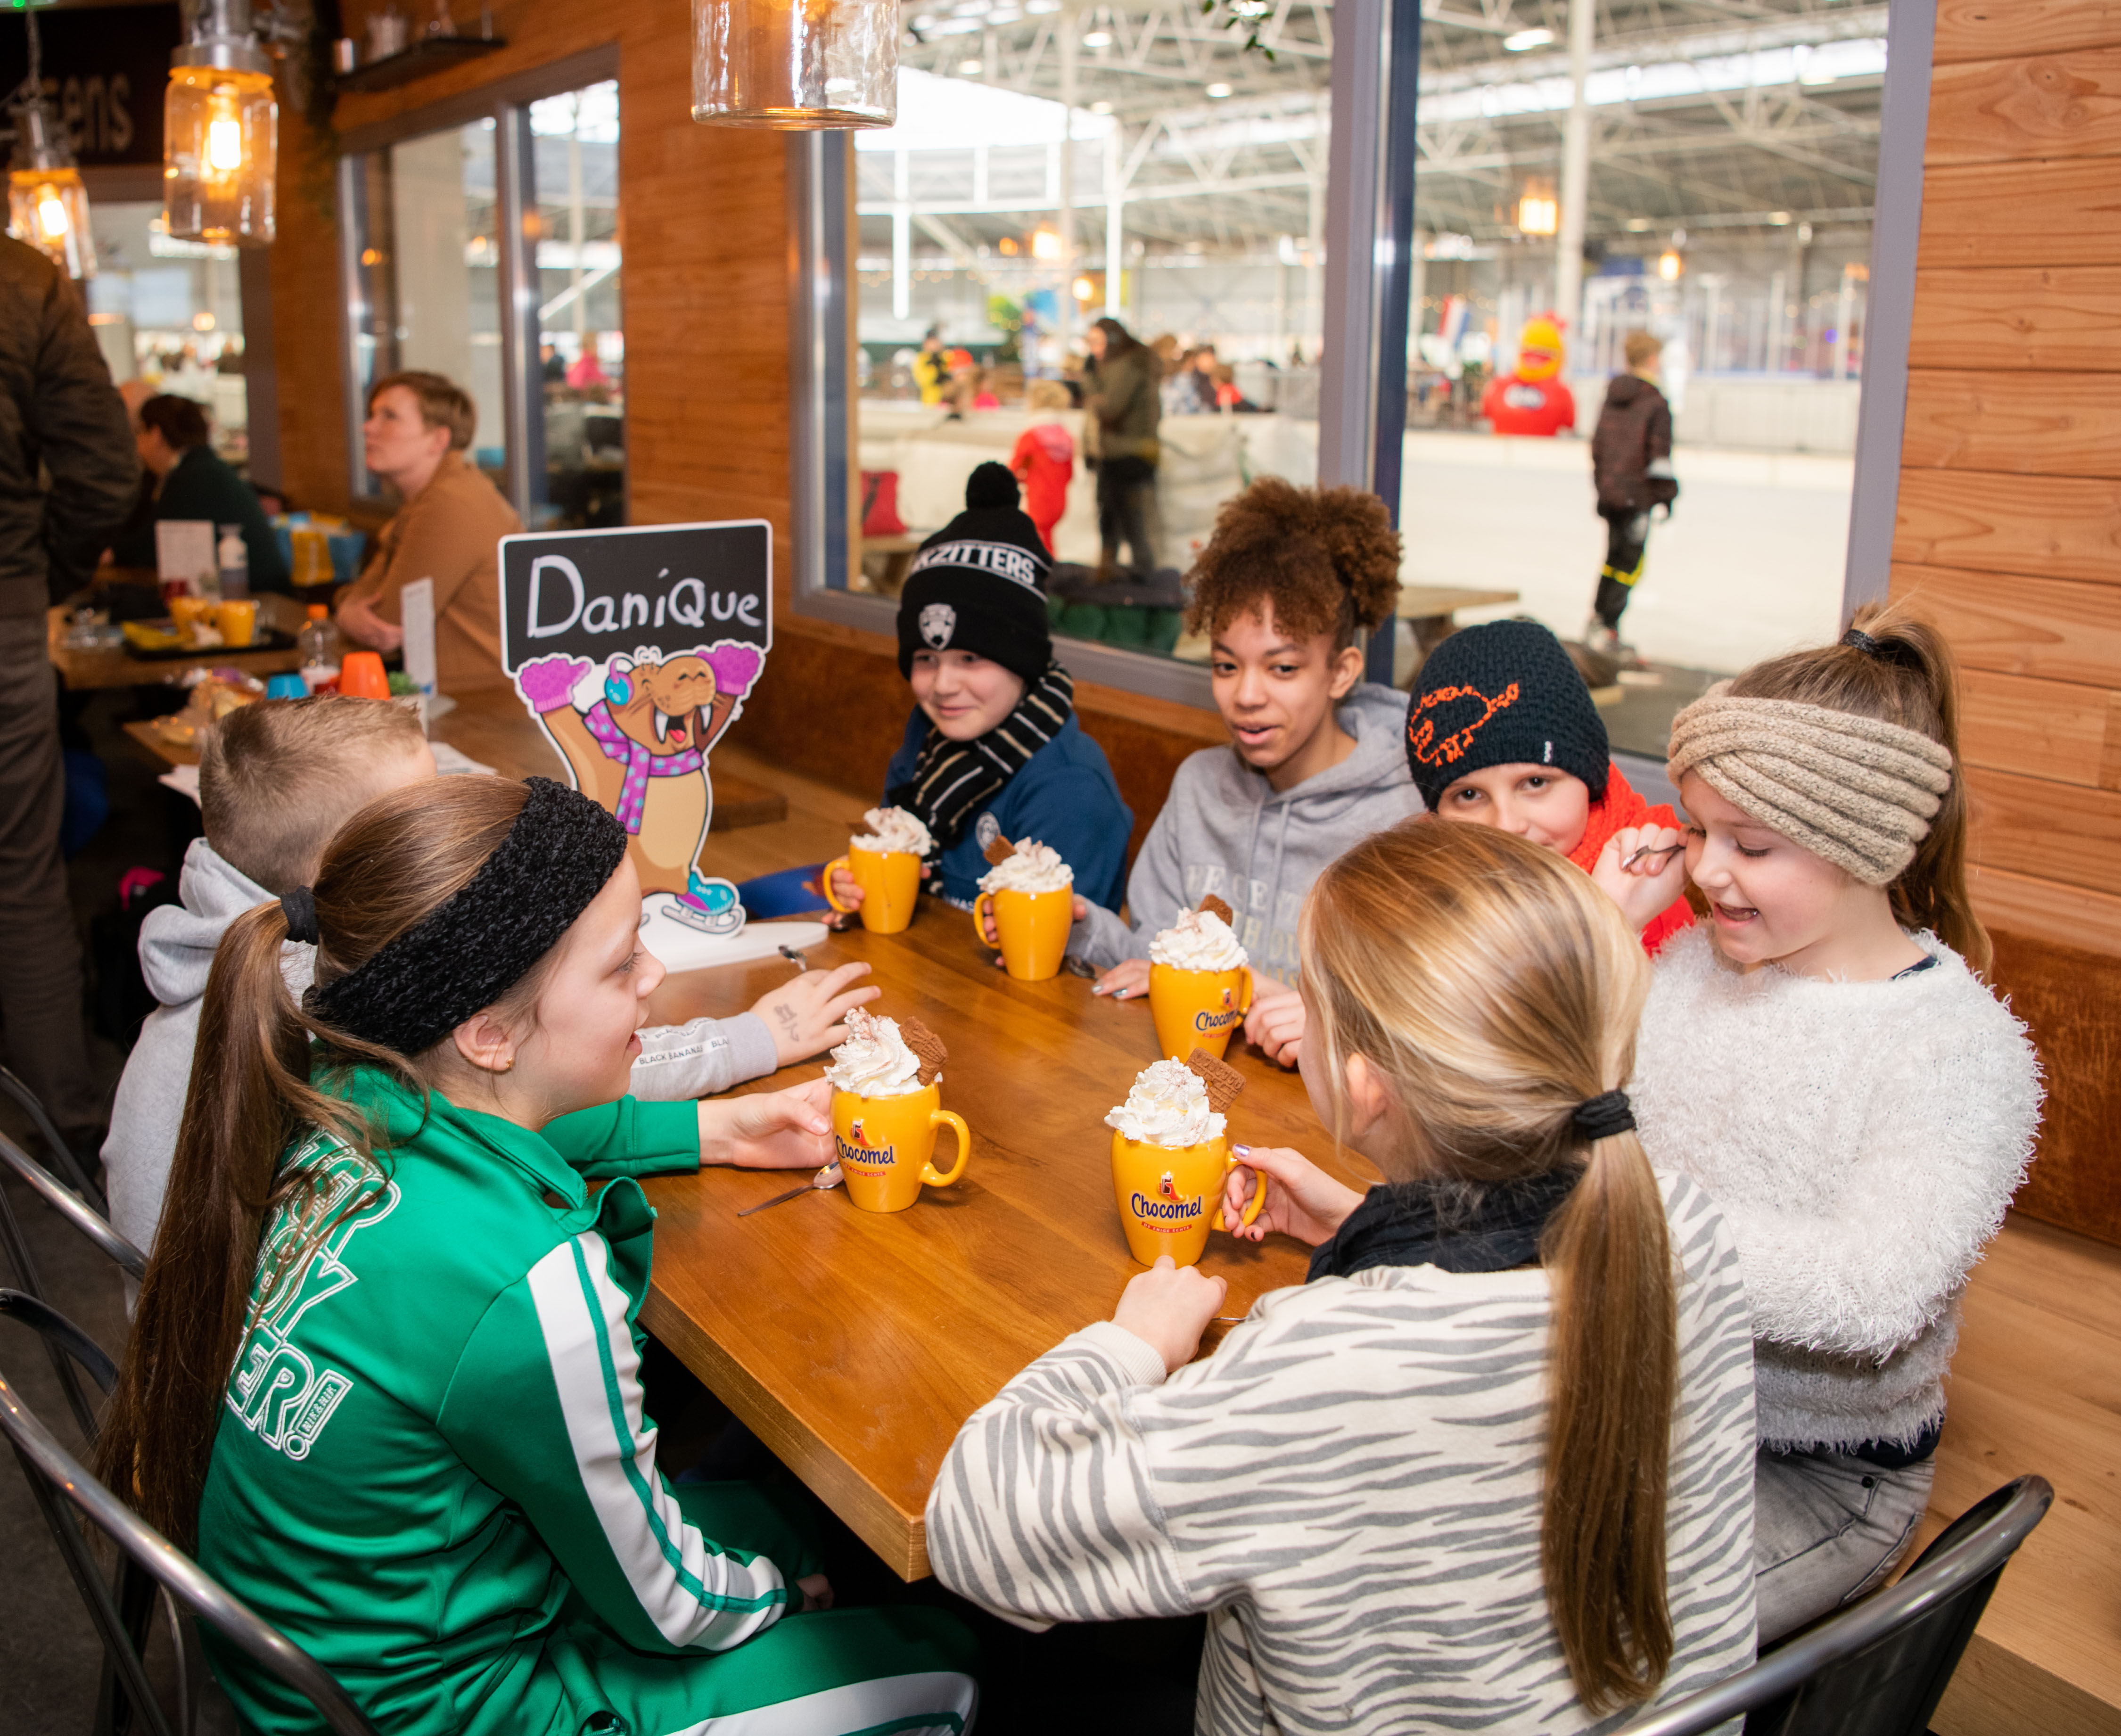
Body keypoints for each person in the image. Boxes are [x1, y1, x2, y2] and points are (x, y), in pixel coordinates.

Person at [96, 774, 979, 1734]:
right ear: (486, 1033)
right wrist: (786, 1597)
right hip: (446, 1709)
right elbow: (670, 1604)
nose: (652, 974)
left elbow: (525, 1139)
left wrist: (713, 1130)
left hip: (307, 1655)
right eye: (620, 962)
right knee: (940, 1657)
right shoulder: (531, 1286)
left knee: (783, 1516)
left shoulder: (342, 1093)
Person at [927, 821, 1759, 1735]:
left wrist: (1133, 1341)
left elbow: (975, 1525)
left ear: (1365, 1089)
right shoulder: (1684, 1228)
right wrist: (1374, 1220)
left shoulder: (1328, 1359)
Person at [101, 697, 878, 1292]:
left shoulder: (236, 954)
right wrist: (750, 1038)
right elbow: (530, 1075)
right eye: (429, 814)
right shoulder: (322, 1011)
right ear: (370, 865)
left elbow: (465, 1116)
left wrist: (713, 1130)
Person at [1628, 607, 2042, 1644]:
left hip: (1815, 1473)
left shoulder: (1955, 1048)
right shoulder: (1689, 967)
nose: (1706, 868)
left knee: (1593, 1641)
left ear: (1863, 841)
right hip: (1648, 1408)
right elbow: (1575, 1116)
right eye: (1696, 829)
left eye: (1750, 843)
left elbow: (1875, 1289)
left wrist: (1627, 1215)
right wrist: (1607, 928)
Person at [1071, 479, 1418, 1068]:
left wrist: (1324, 1023)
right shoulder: (1200, 786)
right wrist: (1079, 929)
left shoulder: (1403, 817)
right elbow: (1153, 952)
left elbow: (1421, 1022)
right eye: (1226, 666)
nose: (1246, 695)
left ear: (1340, 672)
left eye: (1282, 668)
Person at [831, 463, 1132, 914]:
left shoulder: (1069, 787)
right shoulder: (926, 741)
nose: (944, 685)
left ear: (1023, 662)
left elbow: (1064, 957)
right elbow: (889, 858)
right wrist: (853, 885)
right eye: (926, 659)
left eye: (971, 658)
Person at [0, 233, 139, 1151]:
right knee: (22, 874)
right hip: (4, 599)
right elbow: (102, 468)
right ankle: (66, 1125)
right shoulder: (23, 276)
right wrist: (32, 577)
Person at [1408, 618, 1695, 954]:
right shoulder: (1413, 890)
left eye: (1534, 782)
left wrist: (1611, 925)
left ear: (1590, 779)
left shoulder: (1649, 902)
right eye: (1469, 795)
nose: (1506, 825)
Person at [336, 370, 521, 692]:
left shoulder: (451, 503)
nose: (368, 427)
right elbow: (368, 599)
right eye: (372, 415)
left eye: (389, 417)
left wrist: (345, 610)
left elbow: (385, 625)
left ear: (439, 439)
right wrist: (348, 609)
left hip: (484, 709)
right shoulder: (437, 494)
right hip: (465, 699)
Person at [108, 393, 290, 590]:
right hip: (257, 592)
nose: (137, 447)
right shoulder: (203, 466)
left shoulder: (191, 477)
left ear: (155, 435)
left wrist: (110, 553)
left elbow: (151, 547)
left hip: (260, 598)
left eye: (139, 433)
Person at [1588, 329, 1678, 654]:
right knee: (1629, 564)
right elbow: (1659, 458)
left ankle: (1599, 620)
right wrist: (1667, 495)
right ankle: (1608, 627)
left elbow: (1598, 447)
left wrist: (1603, 487)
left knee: (1613, 558)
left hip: (1612, 495)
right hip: (1637, 498)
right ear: (1652, 360)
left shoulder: (1612, 398)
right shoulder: (1655, 402)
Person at [1083, 315, 1161, 581]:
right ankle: (1118, 577)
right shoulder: (1133, 364)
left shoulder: (1124, 367)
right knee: (1117, 521)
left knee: (1129, 522)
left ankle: (1142, 583)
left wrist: (1088, 382)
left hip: (1127, 456)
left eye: (1097, 341)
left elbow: (1110, 408)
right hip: (1128, 454)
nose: (1093, 349)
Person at [1009, 378, 1076, 554]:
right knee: (1047, 538)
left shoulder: (1032, 436)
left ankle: (1044, 575)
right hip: (1060, 501)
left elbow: (1014, 468)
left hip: (1039, 499)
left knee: (1037, 543)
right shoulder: (1065, 436)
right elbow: (1070, 474)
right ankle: (1052, 571)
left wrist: (1019, 480)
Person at [913, 326, 951, 405]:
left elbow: (951, 374)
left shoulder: (946, 356)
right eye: (932, 341)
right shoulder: (921, 359)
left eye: (936, 341)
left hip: (948, 400)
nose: (935, 344)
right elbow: (924, 380)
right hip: (930, 402)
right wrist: (934, 366)